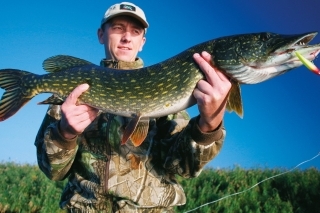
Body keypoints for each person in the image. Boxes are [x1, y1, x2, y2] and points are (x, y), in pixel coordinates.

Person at [35, 2, 231, 212]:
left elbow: (183, 166)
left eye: (135, 31)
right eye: (118, 28)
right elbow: (53, 172)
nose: (127, 37)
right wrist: (65, 133)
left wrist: (209, 125)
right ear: (101, 34)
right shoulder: (72, 93)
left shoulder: (164, 90)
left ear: (142, 41)